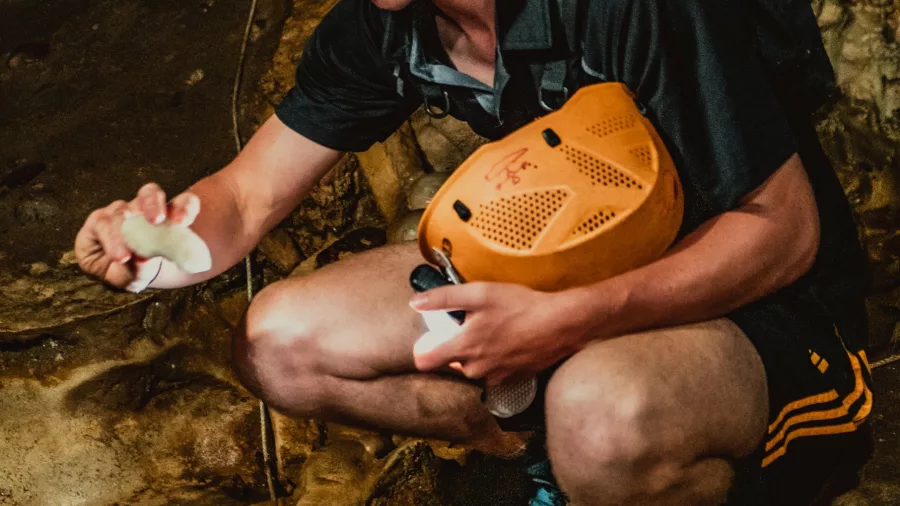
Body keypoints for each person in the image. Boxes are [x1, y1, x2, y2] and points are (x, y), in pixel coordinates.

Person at [75, 0, 874, 504]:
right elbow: (247, 197)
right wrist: (152, 246)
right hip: (559, 278)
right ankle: (552, 462)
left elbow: (783, 231)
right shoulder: (385, 26)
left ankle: (630, 460)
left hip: (764, 313)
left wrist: (568, 321)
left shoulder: (635, 9)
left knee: (600, 414)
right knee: (279, 343)